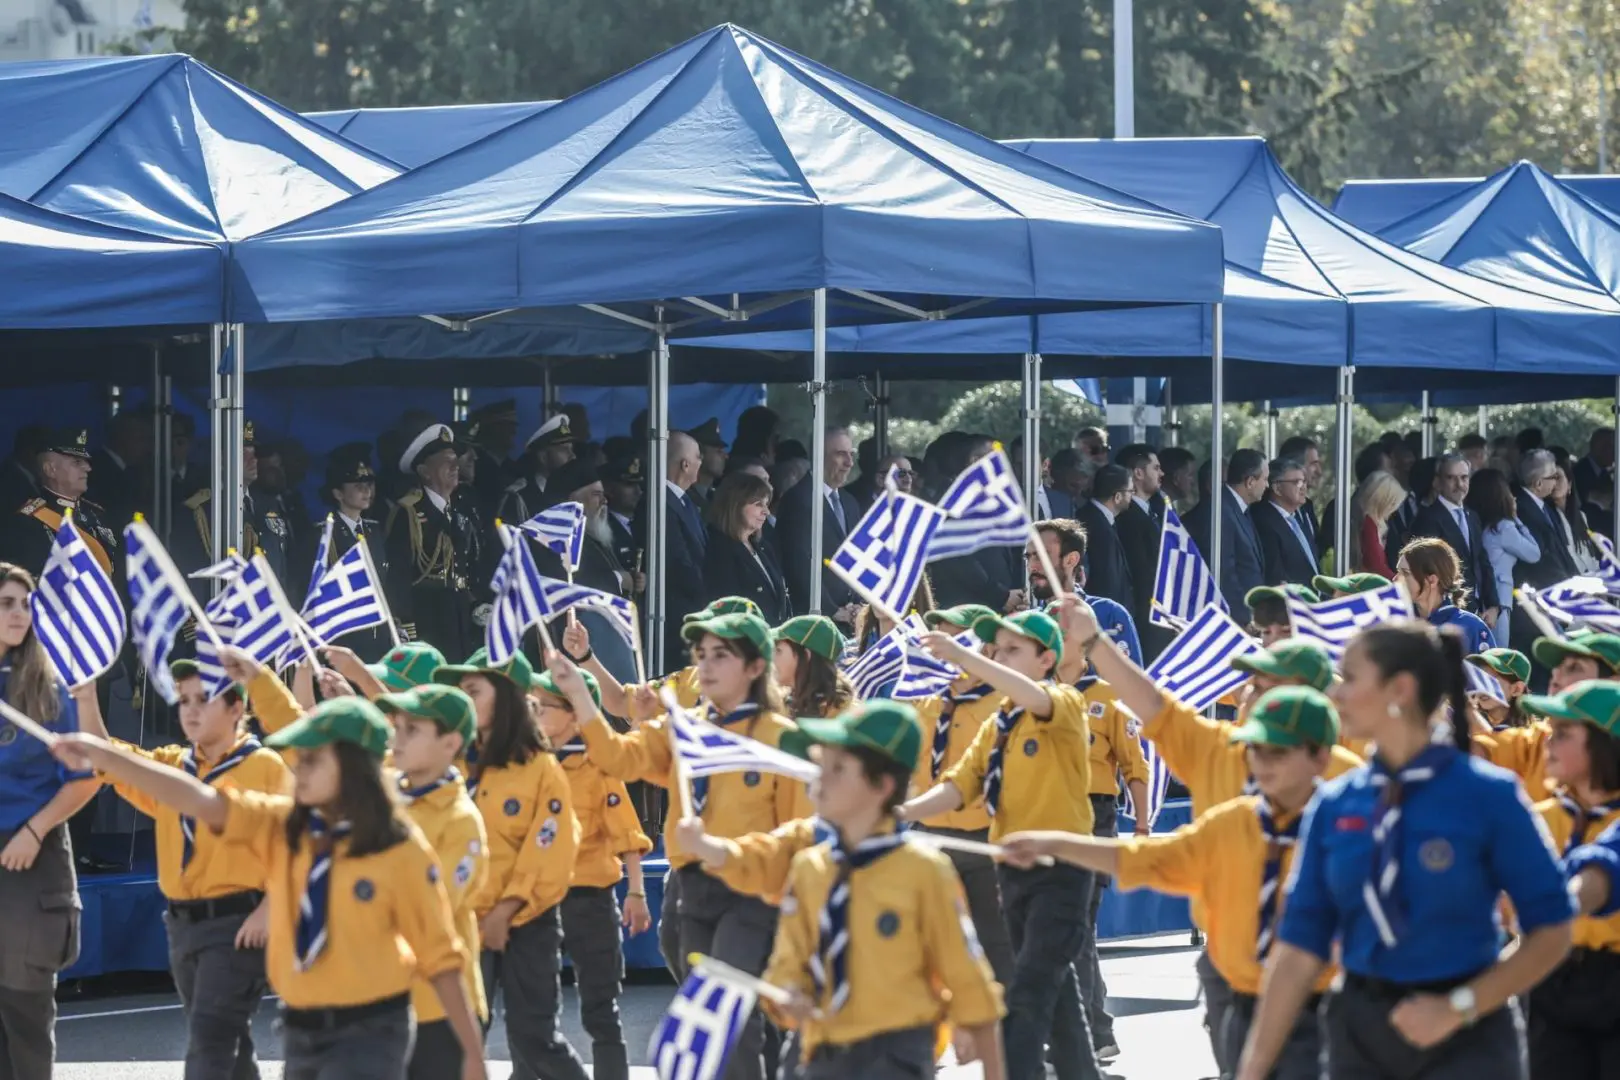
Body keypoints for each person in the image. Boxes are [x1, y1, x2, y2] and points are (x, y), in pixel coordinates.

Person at [53, 698, 487, 1080]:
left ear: (355, 766)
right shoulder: (285, 827)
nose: (298, 768)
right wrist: (104, 755)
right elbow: (198, 799)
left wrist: (471, 1054)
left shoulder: (401, 851)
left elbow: (441, 956)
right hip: (301, 1026)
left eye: (314, 760)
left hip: (371, 1030)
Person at [1237, 622, 1576, 1080]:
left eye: (1351, 678)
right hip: (1357, 1032)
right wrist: (1253, 1069)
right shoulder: (1336, 802)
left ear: (1399, 689)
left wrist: (1459, 1008)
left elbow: (1552, 929)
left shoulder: (1487, 795)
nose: (1336, 695)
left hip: (1467, 1037)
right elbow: (1299, 945)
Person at [1071, 600, 1360, 1077]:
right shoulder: (1219, 750)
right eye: (1252, 681)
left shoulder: (1348, 780)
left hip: (1320, 980)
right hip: (1230, 965)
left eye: (1266, 685)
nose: (1249, 692)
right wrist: (1094, 643)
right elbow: (1152, 703)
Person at [1003, 685, 1345, 1079]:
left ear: (1321, 757)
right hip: (1245, 1004)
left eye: (1279, 752)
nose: (1262, 763)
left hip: (1324, 1009)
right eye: (1255, 749)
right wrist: (1055, 844)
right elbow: (1149, 859)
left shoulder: (1350, 827)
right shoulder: (1235, 822)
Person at [570, 612, 810, 1079]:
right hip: (693, 885)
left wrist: (742, 858)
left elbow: (801, 830)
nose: (706, 665)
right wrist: (581, 696)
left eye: (722, 655)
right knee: (713, 1013)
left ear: (756, 667)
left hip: (753, 895)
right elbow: (619, 755)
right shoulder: (685, 727)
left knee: (726, 1015)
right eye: (701, 655)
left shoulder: (781, 738)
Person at [899, 608, 1106, 1080]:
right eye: (994, 650)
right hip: (1013, 872)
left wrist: (965, 658)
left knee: (1027, 991)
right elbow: (957, 786)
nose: (998, 656)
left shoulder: (1064, 703)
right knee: (1059, 999)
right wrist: (902, 811)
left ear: (1046, 658)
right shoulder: (999, 723)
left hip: (1061, 870)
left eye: (1013, 649)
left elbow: (1033, 695)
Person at [765, 701, 1008, 1080]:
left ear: (882, 785)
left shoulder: (924, 871)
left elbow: (969, 980)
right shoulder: (809, 869)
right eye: (820, 764)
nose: (819, 779)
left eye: (838, 768)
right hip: (822, 1054)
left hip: (896, 1056)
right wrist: (786, 995)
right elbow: (786, 964)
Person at [98, 659, 288, 1080]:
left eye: (205, 699)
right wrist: (84, 696)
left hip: (237, 921)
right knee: (228, 1045)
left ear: (237, 708)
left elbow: (298, 844)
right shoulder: (173, 765)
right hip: (182, 924)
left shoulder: (265, 766)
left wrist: (271, 906)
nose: (191, 709)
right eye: (184, 700)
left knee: (209, 1043)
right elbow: (113, 758)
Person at [432, 649, 589, 1080]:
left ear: (506, 698)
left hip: (527, 923)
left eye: (473, 691)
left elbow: (550, 848)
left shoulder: (540, 769)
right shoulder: (451, 764)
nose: (463, 702)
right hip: (464, 922)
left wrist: (507, 909)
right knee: (455, 1041)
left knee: (534, 1038)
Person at [0, 563, 104, 1080]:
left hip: (31, 858)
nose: (20, 613)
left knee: (24, 1014)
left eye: (24, 603)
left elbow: (87, 777)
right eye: (6, 603)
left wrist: (35, 830)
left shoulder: (48, 688)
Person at [528, 667, 651, 1080]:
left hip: (589, 899)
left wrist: (636, 894)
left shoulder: (598, 766)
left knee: (600, 1007)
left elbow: (627, 836)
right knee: (532, 1009)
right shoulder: (528, 766)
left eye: (541, 707)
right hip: (538, 900)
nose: (532, 715)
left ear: (574, 715)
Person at [893, 604, 1017, 991]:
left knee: (996, 942)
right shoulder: (925, 700)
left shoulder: (1004, 701)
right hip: (929, 835)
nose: (940, 648)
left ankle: (1012, 1032)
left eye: (953, 638)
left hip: (985, 838)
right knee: (920, 939)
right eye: (937, 639)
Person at [1503, 680, 1620, 1077]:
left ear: (1605, 743)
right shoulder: (1541, 817)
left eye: (1564, 733)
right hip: (1553, 976)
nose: (1548, 742)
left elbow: (1604, 871)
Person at [372, 684, 489, 1080]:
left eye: (412, 730)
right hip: (383, 999)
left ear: (450, 742)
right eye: (397, 727)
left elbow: (432, 905)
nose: (397, 739)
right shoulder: (385, 794)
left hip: (439, 1008)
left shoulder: (461, 821)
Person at [384, 423, 482, 661]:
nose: (455, 466)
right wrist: (405, 624)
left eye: (455, 460)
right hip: (427, 618)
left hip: (457, 619)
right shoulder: (409, 513)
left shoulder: (460, 514)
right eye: (446, 461)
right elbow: (399, 575)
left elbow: (467, 571)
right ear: (425, 471)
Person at [0, 426, 118, 583]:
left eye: (86, 462)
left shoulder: (98, 515)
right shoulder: (26, 523)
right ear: (50, 470)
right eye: (77, 462)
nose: (88, 468)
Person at [309, 445, 391, 659]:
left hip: (375, 632)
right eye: (357, 485)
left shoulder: (374, 530)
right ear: (337, 493)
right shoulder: (322, 533)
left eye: (368, 484)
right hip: (342, 633)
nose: (366, 490)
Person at [1027, 518, 1142, 664]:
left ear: (1071, 560)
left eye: (1040, 556)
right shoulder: (1026, 623)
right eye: (1028, 557)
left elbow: (1130, 683)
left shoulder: (1109, 614)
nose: (1032, 566)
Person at [776, 427, 860, 628]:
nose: (849, 463)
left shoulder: (849, 502)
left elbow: (858, 556)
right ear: (819, 455)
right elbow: (799, 564)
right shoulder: (799, 500)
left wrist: (858, 606)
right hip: (817, 623)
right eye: (841, 454)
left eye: (851, 454)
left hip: (850, 619)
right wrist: (831, 610)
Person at [640, 430, 707, 669]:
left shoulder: (686, 500)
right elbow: (677, 562)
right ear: (685, 464)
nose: (702, 462)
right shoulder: (658, 501)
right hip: (673, 619)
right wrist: (710, 592)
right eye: (699, 457)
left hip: (691, 612)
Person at [1183, 449, 1268, 625]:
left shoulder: (1238, 508)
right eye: (1265, 479)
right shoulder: (1219, 511)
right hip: (1232, 621)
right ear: (1250, 482)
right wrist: (1244, 618)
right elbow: (1223, 573)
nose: (1267, 486)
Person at [1410, 453, 1498, 615]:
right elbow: (1428, 570)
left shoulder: (1472, 516)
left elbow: (1482, 561)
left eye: (1464, 478)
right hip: (1446, 611)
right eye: (1451, 478)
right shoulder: (1428, 518)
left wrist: (1493, 605)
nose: (1459, 484)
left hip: (1477, 608)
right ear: (1438, 482)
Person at [703, 472, 790, 625]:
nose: (766, 511)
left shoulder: (764, 548)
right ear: (735, 505)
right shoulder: (719, 550)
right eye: (758, 504)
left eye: (766, 504)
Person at [1468, 467, 1539, 644]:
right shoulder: (1503, 527)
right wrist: (1516, 518)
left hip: (1482, 594)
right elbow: (1533, 553)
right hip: (1499, 597)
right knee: (1498, 654)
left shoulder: (1479, 525)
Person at [1395, 537, 1495, 655]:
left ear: (1432, 580)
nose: (1395, 579)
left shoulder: (1471, 627)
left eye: (1405, 573)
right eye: (1397, 571)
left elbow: (1489, 672)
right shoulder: (1398, 624)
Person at [1114, 444, 1166, 654]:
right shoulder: (1129, 516)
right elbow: (1141, 570)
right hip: (1145, 616)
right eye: (1156, 467)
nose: (1161, 473)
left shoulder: (1152, 511)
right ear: (1138, 472)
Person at [1253, 457, 1320, 589]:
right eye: (1297, 482)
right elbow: (1275, 575)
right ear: (1277, 488)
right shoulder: (1264, 522)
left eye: (1304, 482)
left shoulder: (1297, 519)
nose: (1304, 488)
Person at [497, 415, 576, 525]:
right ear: (543, 457)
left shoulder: (574, 492)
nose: (572, 456)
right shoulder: (518, 498)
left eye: (571, 449)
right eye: (564, 450)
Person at [772, 616, 854, 719]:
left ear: (806, 656)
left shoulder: (843, 715)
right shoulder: (777, 705)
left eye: (778, 651)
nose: (771, 658)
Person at [1346, 470, 1404, 579]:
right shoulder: (1368, 524)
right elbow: (1376, 566)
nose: (1393, 510)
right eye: (1392, 504)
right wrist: (1400, 582)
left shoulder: (1370, 522)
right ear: (1383, 502)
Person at [1551, 460, 1602, 574]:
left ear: (1569, 484)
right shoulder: (1548, 517)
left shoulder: (1581, 516)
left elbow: (1589, 555)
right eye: (1550, 479)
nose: (1554, 483)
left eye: (1558, 477)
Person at [1278, 435, 1324, 554]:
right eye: (1313, 464)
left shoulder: (1307, 506)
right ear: (1294, 466)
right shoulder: (1272, 511)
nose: (1319, 471)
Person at [1465, 648, 1532, 729]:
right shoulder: (1463, 720)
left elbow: (1496, 740)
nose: (1481, 685)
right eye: (1479, 677)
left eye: (1490, 679)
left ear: (1517, 689)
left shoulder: (1532, 736)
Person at [688, 418, 730, 507]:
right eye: (718, 451)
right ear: (700, 455)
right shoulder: (685, 498)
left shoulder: (717, 498)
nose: (725, 456)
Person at [1575, 427, 1616, 507]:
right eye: (1612, 447)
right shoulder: (1580, 472)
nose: (1616, 452)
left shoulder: (1604, 474)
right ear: (1600, 447)